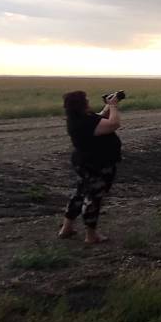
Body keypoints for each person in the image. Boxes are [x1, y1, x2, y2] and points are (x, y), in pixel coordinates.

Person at [59, 90, 122, 244]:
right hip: (96, 164)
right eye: (85, 100)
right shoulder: (83, 122)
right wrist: (113, 107)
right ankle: (91, 235)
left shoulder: (78, 118)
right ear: (81, 104)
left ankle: (66, 228)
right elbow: (113, 124)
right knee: (93, 198)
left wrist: (108, 106)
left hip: (84, 162)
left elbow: (99, 119)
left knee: (79, 193)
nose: (88, 101)